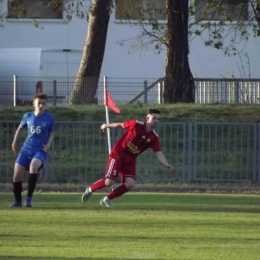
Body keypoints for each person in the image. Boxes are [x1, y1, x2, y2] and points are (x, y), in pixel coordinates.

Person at [81, 108, 173, 207]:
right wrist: (106, 125)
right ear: (147, 118)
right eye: (154, 118)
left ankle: (106, 199)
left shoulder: (154, 137)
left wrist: (166, 164)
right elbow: (120, 125)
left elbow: (159, 153)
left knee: (129, 183)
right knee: (109, 182)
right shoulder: (136, 124)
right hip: (118, 154)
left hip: (130, 159)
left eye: (158, 119)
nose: (156, 121)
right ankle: (90, 189)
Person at [10, 93, 54, 207]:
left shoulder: (49, 118)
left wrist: (48, 144)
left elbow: (51, 133)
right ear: (33, 103)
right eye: (39, 103)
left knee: (33, 167)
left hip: (40, 150)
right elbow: (20, 129)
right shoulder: (28, 116)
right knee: (16, 175)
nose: (41, 105)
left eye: (43, 103)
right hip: (26, 149)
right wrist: (14, 143)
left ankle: (28, 199)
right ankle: (17, 201)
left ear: (46, 105)